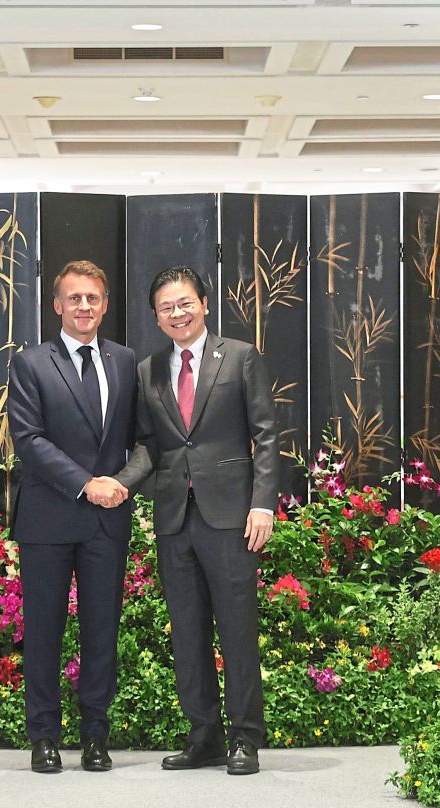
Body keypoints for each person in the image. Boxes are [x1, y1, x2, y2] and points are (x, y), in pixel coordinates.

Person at [111, 265, 279, 775]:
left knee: (236, 629)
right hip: (173, 517)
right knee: (187, 632)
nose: (177, 313)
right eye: (166, 307)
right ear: (156, 317)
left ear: (204, 304)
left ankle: (245, 739)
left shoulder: (241, 357)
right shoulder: (148, 370)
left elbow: (267, 434)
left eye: (184, 303)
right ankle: (203, 735)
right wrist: (122, 483)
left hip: (231, 515)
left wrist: (264, 503)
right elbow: (149, 445)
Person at [6, 260, 135, 774]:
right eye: (75, 298)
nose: (85, 307)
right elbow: (29, 441)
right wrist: (87, 484)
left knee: (102, 631)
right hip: (49, 519)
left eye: (94, 299)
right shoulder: (31, 363)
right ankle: (43, 738)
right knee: (43, 631)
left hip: (109, 518)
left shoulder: (126, 361)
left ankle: (96, 738)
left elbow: (142, 441)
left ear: (105, 305)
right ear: (57, 305)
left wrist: (121, 484)